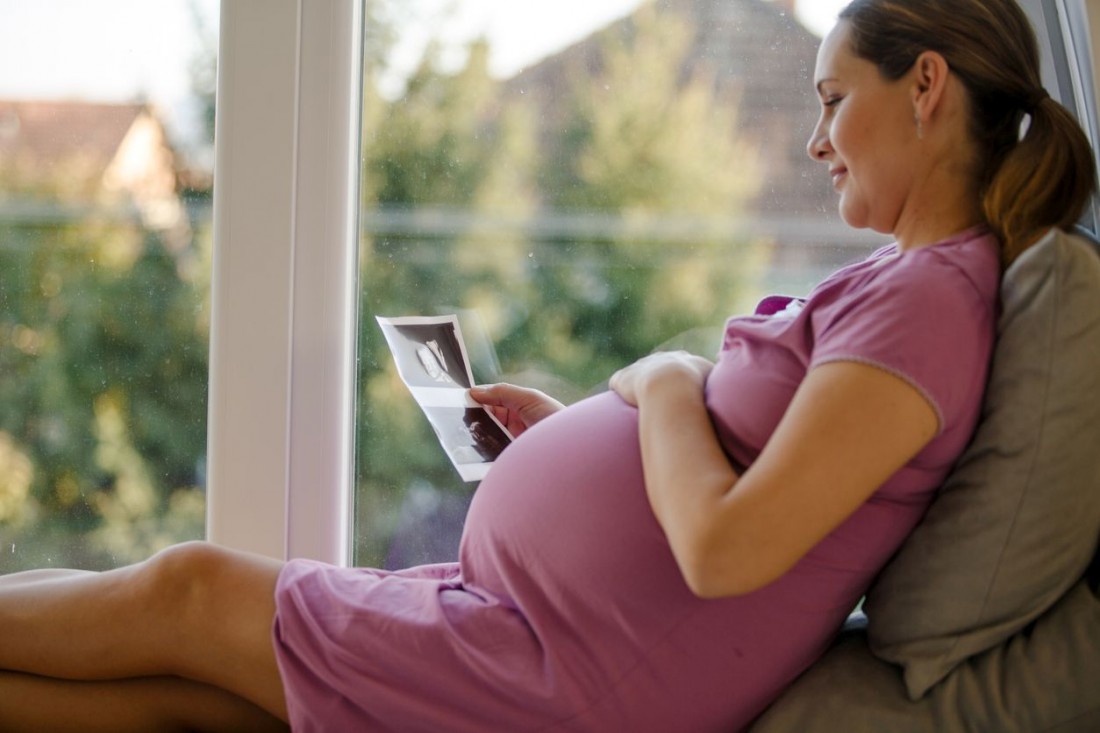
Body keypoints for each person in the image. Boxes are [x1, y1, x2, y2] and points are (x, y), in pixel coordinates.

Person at [0, 1, 1094, 730]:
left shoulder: (925, 303)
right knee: (193, 693)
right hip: (555, 632)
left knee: (186, 589)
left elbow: (723, 548)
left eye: (829, 98)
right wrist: (572, 427)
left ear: (926, 86)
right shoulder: (906, 286)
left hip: (577, 670)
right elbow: (748, 472)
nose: (816, 140)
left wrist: (662, 378)